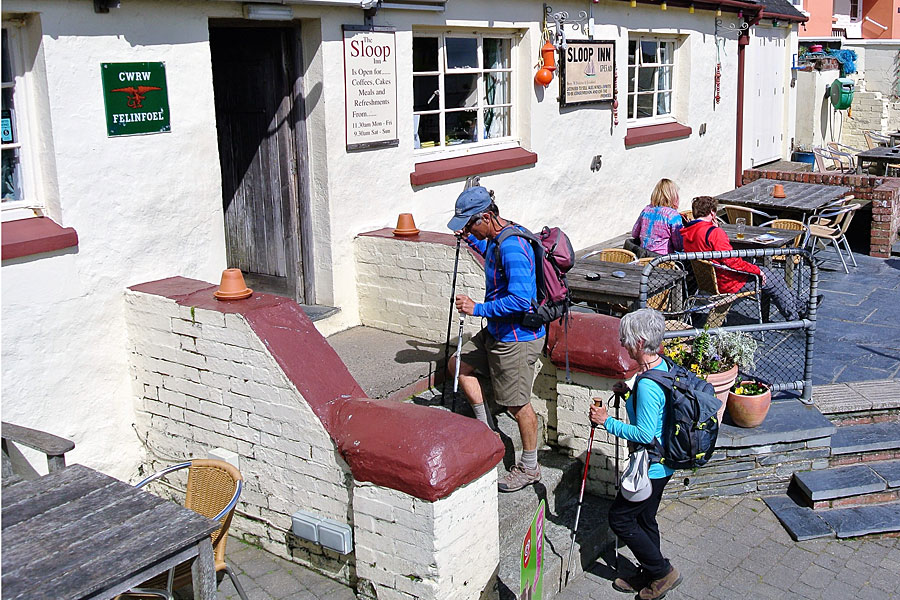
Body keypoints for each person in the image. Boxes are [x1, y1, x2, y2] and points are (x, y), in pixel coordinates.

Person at [447, 186, 545, 493]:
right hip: (497, 331)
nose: (467, 228)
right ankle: (486, 427)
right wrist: (469, 238)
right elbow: (486, 249)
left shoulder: (513, 247)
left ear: (487, 216)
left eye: (470, 223)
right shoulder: (495, 238)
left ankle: (530, 467)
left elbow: (521, 299)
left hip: (517, 338)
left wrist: (477, 308)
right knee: (458, 364)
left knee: (518, 406)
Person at [589, 309, 681, 600]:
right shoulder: (661, 367)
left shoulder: (649, 384)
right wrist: (628, 395)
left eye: (626, 340)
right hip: (663, 462)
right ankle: (650, 572)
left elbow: (644, 434)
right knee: (645, 519)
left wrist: (607, 422)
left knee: (621, 519)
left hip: (650, 467)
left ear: (640, 342)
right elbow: (653, 419)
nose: (623, 345)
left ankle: (662, 572)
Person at [681, 195, 804, 321]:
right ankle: (794, 318)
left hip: (708, 280)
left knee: (772, 277)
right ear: (712, 212)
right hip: (728, 281)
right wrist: (757, 271)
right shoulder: (714, 233)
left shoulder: (688, 231)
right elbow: (731, 261)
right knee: (775, 279)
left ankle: (800, 308)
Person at [630, 179, 684, 255]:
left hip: (643, 256)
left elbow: (634, 233)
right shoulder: (673, 215)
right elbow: (679, 245)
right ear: (673, 195)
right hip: (663, 260)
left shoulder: (646, 210)